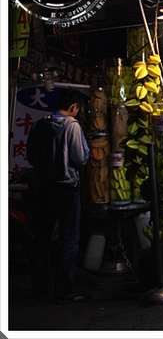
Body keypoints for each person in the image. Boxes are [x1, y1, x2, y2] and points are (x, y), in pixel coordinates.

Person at [26, 88, 90, 302]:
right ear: (73, 106)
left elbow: (31, 157)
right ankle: (64, 292)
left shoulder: (39, 124)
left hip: (43, 189)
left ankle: (40, 289)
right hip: (67, 188)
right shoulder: (72, 126)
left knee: (42, 240)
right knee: (68, 240)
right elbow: (80, 157)